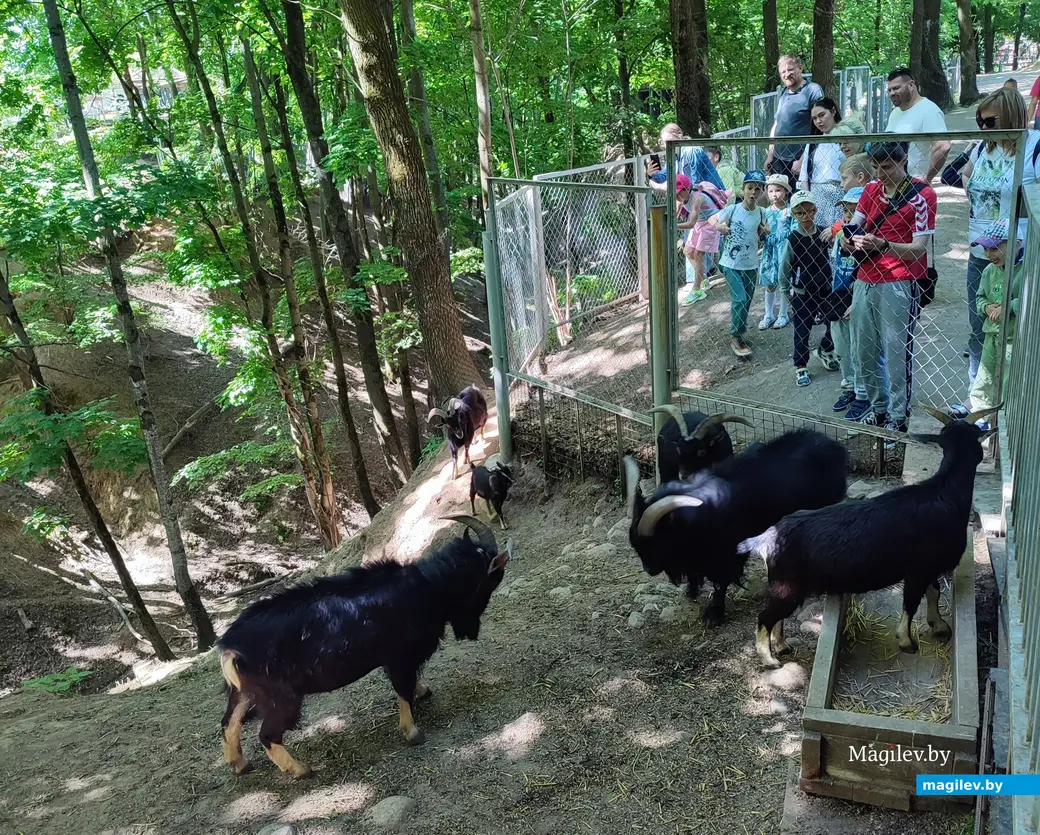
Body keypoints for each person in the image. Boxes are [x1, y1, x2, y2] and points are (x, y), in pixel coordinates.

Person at [845, 141, 937, 441]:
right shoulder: (871, 190)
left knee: (897, 351)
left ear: (903, 160)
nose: (881, 174)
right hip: (865, 276)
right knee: (863, 349)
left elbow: (919, 248)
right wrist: (847, 238)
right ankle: (878, 406)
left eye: (887, 167)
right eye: (876, 167)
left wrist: (884, 245)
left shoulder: (922, 195)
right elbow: (855, 224)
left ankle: (898, 415)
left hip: (900, 279)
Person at [961, 88, 1039, 390]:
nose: (984, 128)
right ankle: (978, 395)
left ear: (1010, 115)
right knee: (980, 325)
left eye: (990, 122)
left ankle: (1010, 394)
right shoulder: (984, 148)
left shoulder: (1033, 147)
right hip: (981, 252)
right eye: (980, 122)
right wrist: (976, 196)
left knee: (1014, 329)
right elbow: (965, 174)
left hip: (1019, 258)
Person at [966, 220, 1023, 416]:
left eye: (995, 248)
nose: (989, 254)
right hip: (991, 334)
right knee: (985, 377)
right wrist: (987, 307)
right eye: (986, 248)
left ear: (1016, 243)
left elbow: (1030, 299)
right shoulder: (989, 271)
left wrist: (1009, 306)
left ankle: (1004, 417)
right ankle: (980, 414)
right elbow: (980, 297)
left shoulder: (1026, 271)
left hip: (1015, 339)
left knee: (1008, 382)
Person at [709, 170, 768, 358]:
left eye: (757, 189)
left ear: (762, 192)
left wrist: (765, 231)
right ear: (743, 189)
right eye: (750, 188)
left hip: (751, 264)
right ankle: (736, 336)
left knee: (747, 301)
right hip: (730, 263)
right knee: (740, 299)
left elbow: (766, 231)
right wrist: (719, 227)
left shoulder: (761, 212)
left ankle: (740, 332)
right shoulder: (733, 209)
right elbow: (712, 219)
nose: (753, 193)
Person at [779, 191, 835, 387]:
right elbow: (784, 269)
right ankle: (801, 366)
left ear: (815, 211)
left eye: (809, 212)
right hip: (803, 294)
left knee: (834, 324)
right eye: (800, 213)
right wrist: (787, 293)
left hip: (825, 290)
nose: (806, 217)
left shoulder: (823, 233)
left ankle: (826, 350)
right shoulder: (792, 240)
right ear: (794, 214)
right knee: (802, 330)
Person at [829, 188, 866, 412]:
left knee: (859, 348)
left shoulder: (866, 238)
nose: (848, 215)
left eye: (853, 210)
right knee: (842, 346)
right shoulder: (842, 234)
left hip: (858, 298)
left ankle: (862, 391)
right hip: (839, 296)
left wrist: (858, 302)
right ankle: (850, 385)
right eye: (845, 209)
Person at [765, 55, 825, 188]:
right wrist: (771, 154)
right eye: (783, 72)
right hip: (779, 159)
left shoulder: (813, 91)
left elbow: (819, 129)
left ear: (800, 68)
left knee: (800, 204)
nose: (786, 74)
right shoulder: (784, 93)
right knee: (779, 201)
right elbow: (777, 124)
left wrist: (802, 161)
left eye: (790, 70)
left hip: (799, 160)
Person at [884, 67, 951, 183]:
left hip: (913, 182)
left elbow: (943, 146)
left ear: (911, 85)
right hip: (892, 182)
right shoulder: (895, 112)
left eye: (896, 88)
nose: (892, 93)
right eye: (889, 90)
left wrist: (926, 179)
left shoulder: (929, 110)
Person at [675, 176, 730, 305]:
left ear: (687, 189)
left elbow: (691, 223)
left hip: (710, 223)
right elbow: (678, 213)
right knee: (688, 251)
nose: (677, 195)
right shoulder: (681, 198)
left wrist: (673, 226)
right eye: (675, 193)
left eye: (679, 192)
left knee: (699, 254)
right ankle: (702, 279)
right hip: (700, 223)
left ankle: (696, 290)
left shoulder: (698, 199)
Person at [797, 97, 848, 229]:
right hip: (816, 199)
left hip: (841, 196)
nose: (818, 121)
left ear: (833, 111)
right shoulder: (813, 143)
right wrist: (809, 203)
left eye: (822, 115)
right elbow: (804, 176)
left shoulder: (847, 139)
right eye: (814, 118)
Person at [647, 123, 725, 195]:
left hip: (716, 198)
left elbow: (697, 184)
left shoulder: (691, 151)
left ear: (679, 136)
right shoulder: (674, 157)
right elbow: (662, 178)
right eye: (664, 142)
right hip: (698, 199)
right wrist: (651, 174)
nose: (667, 145)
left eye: (669, 141)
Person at [759, 174, 793, 330]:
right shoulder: (764, 211)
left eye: (778, 190)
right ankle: (768, 314)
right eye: (771, 191)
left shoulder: (789, 211)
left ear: (785, 191)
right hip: (770, 251)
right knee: (770, 283)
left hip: (784, 250)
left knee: (784, 282)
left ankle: (783, 314)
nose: (774, 194)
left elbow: (793, 230)